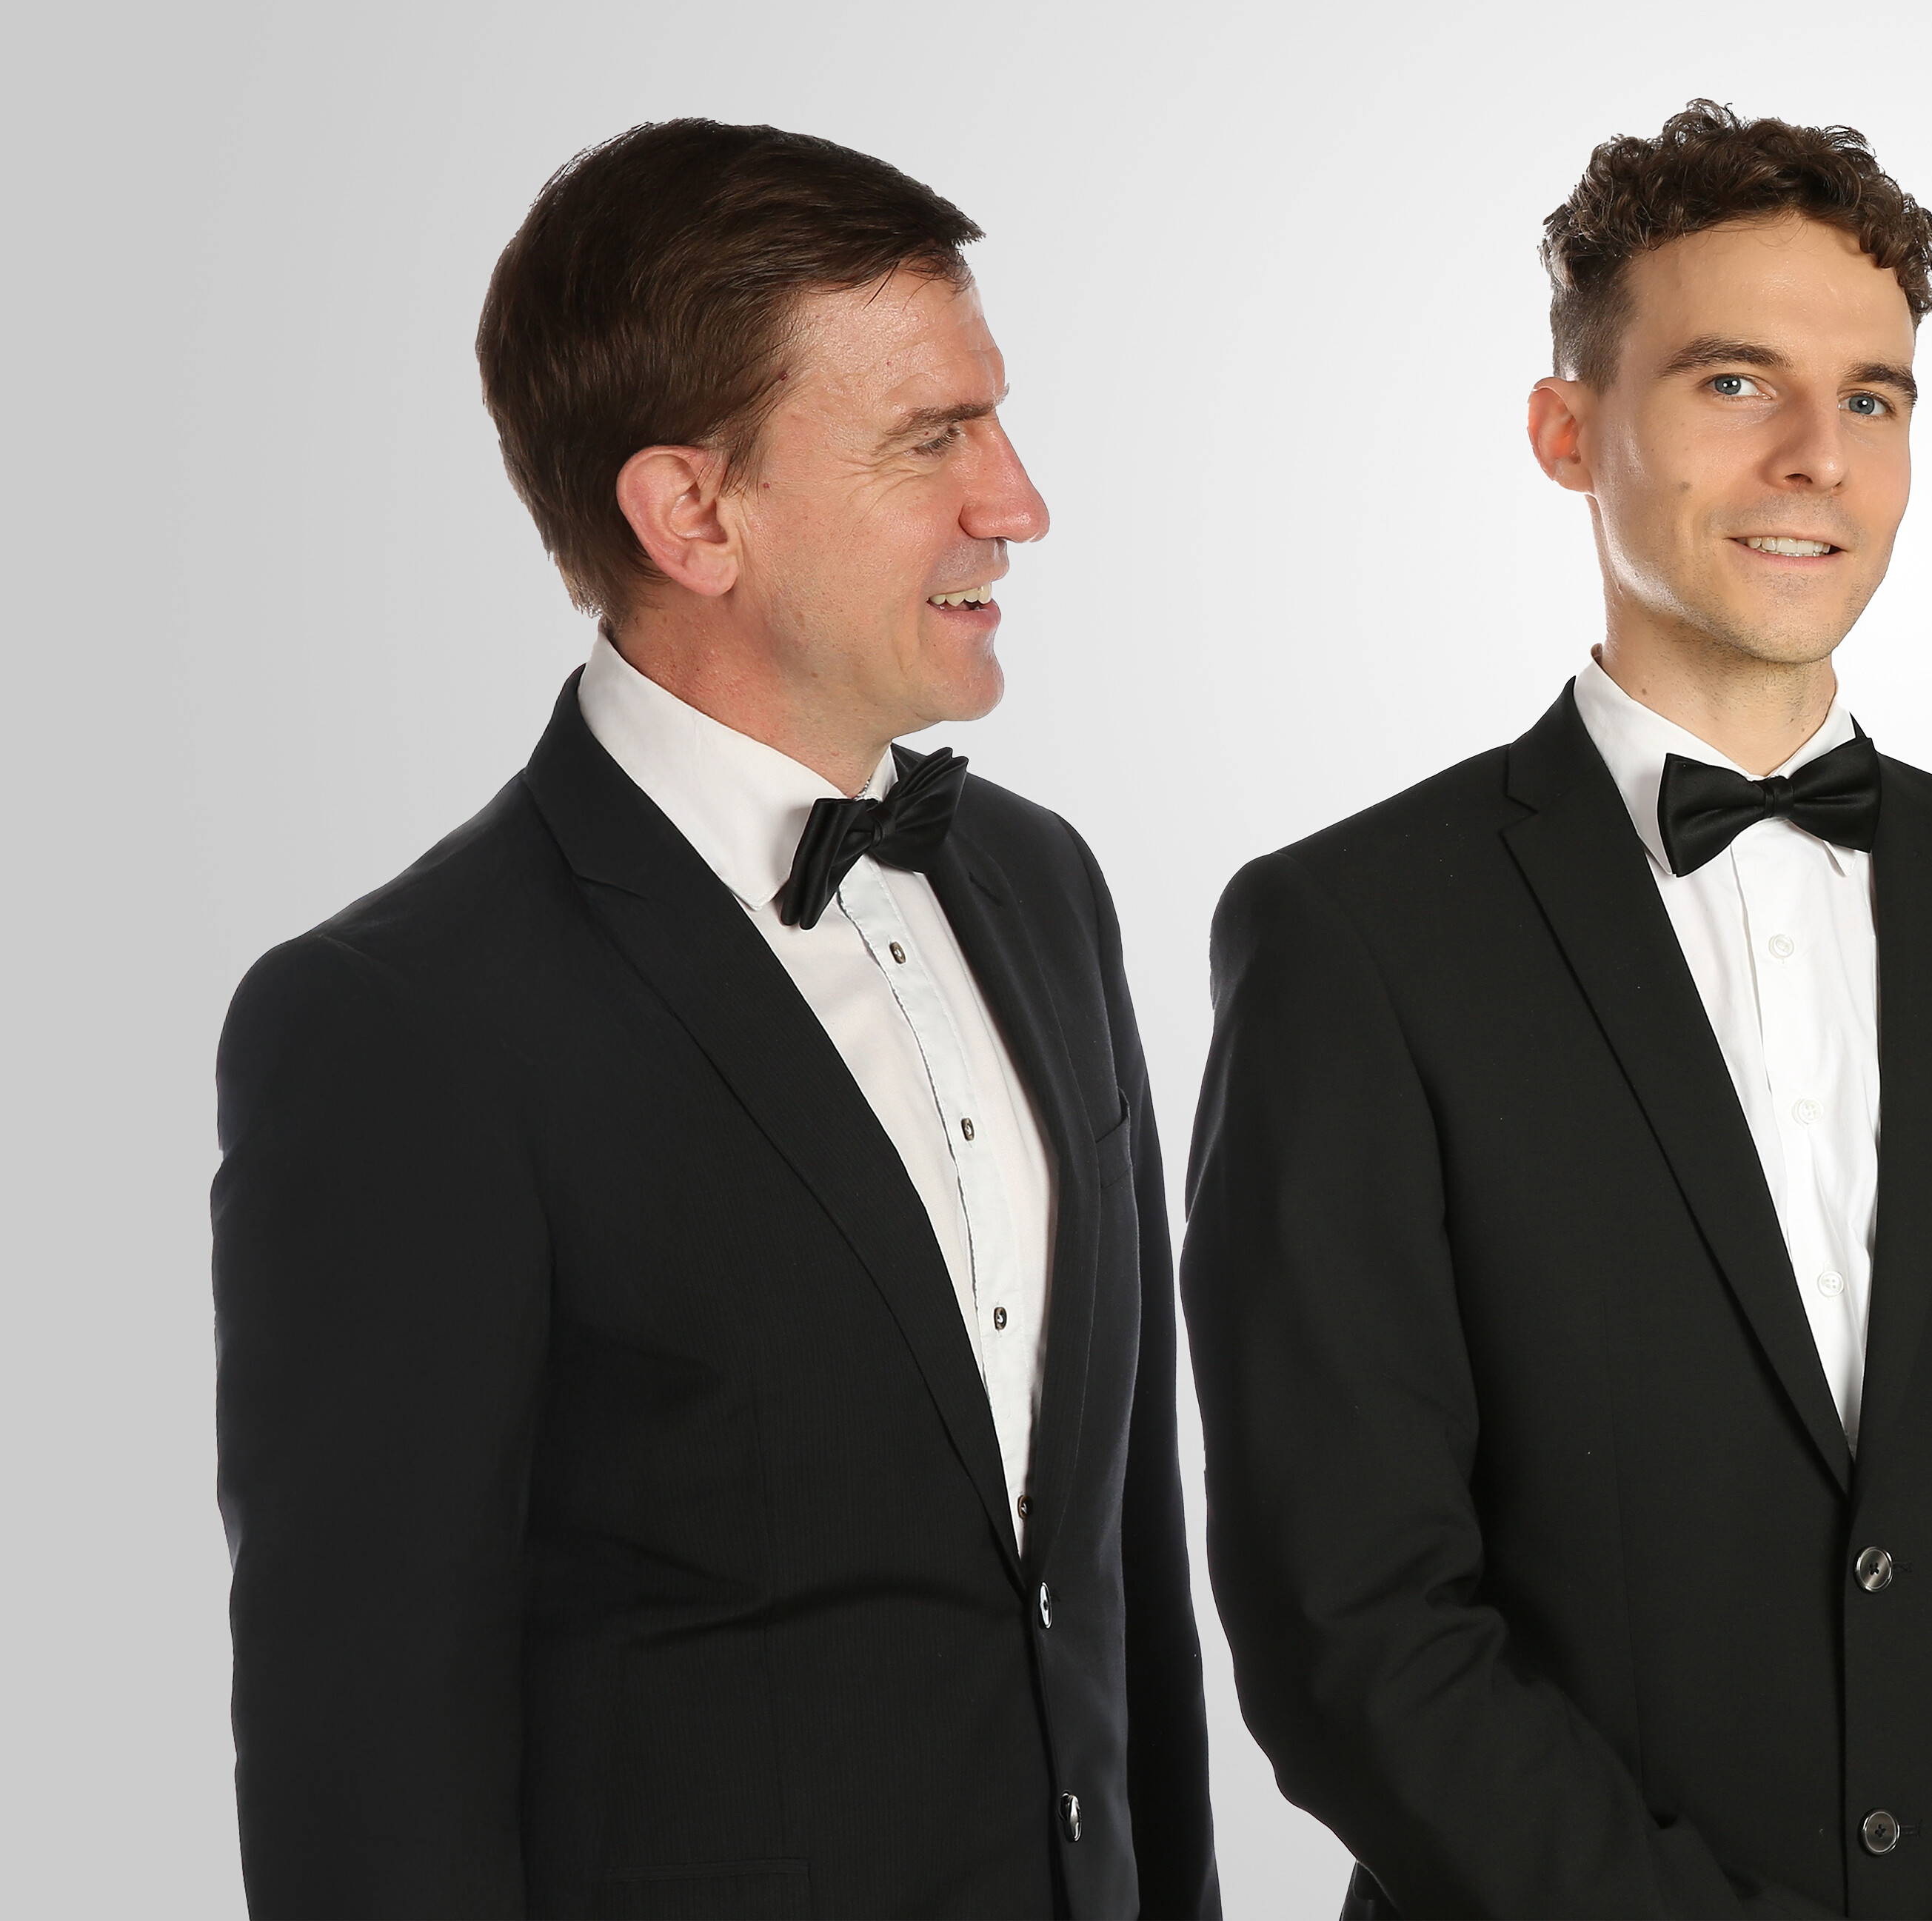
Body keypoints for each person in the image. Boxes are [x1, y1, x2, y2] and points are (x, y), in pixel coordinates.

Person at [1186, 101, 1932, 1918]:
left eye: (1873, 399)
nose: (1816, 458)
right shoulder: (1349, 937)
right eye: (1733, 382)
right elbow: (1349, 1624)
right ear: (1567, 430)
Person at [213, 121, 1214, 1917]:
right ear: (691, 513)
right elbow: (363, 1778)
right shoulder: (401, 1026)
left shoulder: (1045, 887)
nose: (1018, 502)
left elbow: (1121, 1565)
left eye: (995, 419)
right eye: (933, 438)